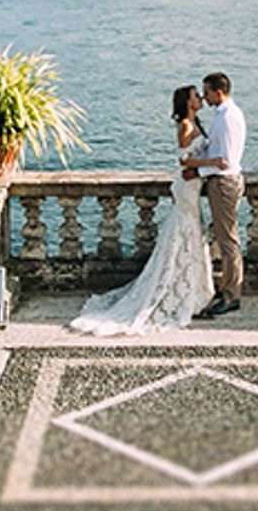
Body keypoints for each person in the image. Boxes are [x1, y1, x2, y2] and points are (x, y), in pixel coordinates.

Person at [68, 85, 216, 336]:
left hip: (192, 184)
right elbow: (182, 159)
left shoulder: (195, 122)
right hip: (187, 185)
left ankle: (195, 292)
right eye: (196, 96)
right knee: (187, 234)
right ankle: (186, 293)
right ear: (188, 103)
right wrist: (211, 162)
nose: (200, 98)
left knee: (191, 233)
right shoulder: (186, 126)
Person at [186, 71, 246, 318]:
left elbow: (228, 160)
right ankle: (227, 288)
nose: (204, 97)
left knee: (228, 240)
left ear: (218, 92)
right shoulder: (222, 115)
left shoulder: (229, 117)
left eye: (207, 92)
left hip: (224, 183)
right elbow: (216, 152)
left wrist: (197, 170)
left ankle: (232, 294)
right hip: (220, 182)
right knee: (223, 237)